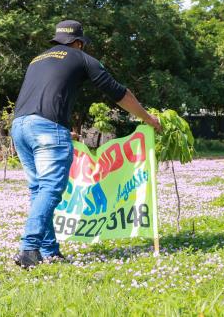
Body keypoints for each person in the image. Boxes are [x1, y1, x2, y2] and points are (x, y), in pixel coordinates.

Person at [11, 20, 162, 268]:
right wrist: (148, 118)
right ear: (78, 42)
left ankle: (49, 251)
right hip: (47, 129)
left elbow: (41, 96)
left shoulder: (36, 59)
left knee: (39, 190)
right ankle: (29, 249)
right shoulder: (81, 58)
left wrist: (56, 128)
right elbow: (119, 93)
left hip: (20, 126)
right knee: (50, 189)